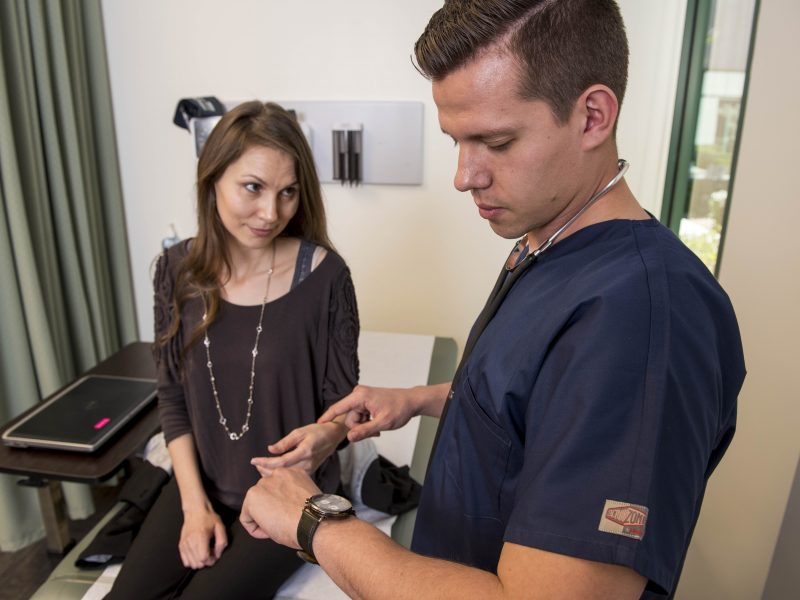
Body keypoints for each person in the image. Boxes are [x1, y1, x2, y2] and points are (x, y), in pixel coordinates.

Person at [239, 1, 745, 599]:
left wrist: (314, 519)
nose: (463, 175)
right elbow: (544, 399)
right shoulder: (550, 240)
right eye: (457, 140)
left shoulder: (642, 319)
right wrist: (420, 399)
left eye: (495, 141)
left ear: (592, 117)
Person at [107, 101, 360, 599]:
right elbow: (173, 399)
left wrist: (326, 437)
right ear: (213, 179)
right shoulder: (175, 272)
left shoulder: (326, 277)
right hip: (205, 481)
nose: (272, 213)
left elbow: (344, 410)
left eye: (288, 193)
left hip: (290, 495)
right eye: (253, 188)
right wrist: (194, 506)